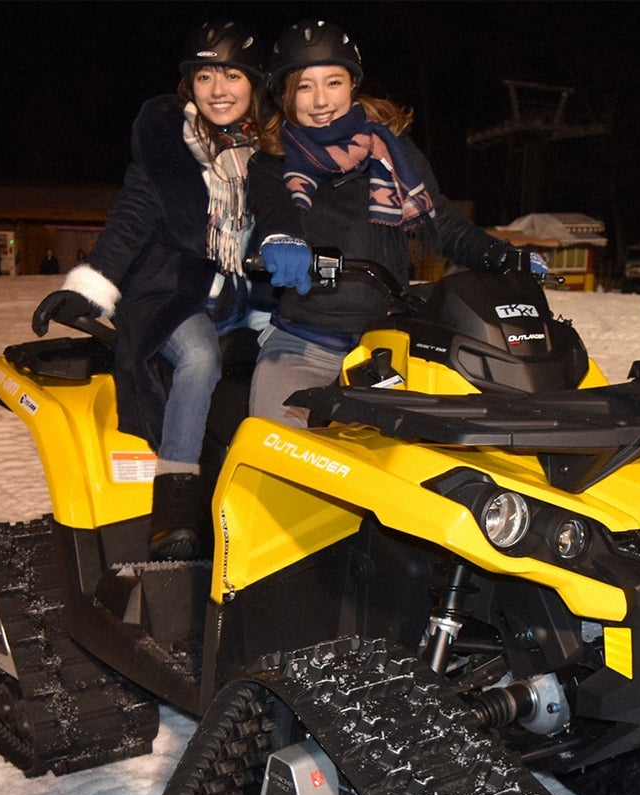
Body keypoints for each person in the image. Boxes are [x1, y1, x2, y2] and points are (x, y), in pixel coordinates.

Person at [32, 21, 269, 560]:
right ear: (189, 83)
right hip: (170, 292)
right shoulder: (170, 143)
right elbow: (133, 215)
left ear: (255, 84)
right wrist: (92, 288)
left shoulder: (268, 151)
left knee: (296, 351)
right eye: (205, 75)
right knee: (201, 360)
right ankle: (176, 505)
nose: (218, 88)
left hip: (241, 295)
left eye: (232, 74)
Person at [247, 19, 537, 427]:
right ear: (286, 96)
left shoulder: (392, 154)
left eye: (333, 82)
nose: (320, 100)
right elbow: (276, 211)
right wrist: (280, 239)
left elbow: (443, 227)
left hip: (388, 343)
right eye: (304, 87)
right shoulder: (272, 162)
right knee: (273, 446)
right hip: (304, 344)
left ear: (352, 84)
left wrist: (503, 256)